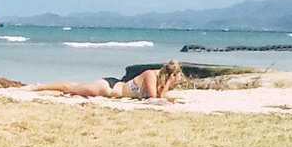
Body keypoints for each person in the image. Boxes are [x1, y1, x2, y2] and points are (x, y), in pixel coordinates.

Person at [38, 61, 185, 101]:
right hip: (108, 87)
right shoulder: (150, 75)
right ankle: (38, 87)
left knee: (72, 90)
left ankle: (42, 88)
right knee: (71, 88)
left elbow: (160, 97)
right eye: (177, 77)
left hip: (112, 90)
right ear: (171, 75)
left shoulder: (159, 82)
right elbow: (155, 99)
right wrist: (167, 85)